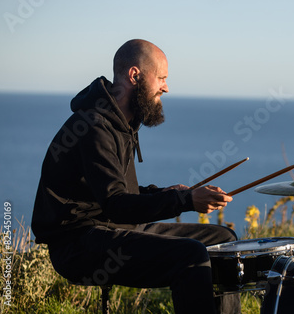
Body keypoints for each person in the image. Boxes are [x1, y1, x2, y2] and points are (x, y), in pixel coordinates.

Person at [31, 39, 241, 314]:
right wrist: (185, 200)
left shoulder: (123, 123)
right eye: (162, 78)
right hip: (79, 243)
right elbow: (117, 205)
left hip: (114, 226)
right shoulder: (94, 126)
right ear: (135, 75)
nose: (166, 87)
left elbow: (119, 194)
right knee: (190, 255)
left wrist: (166, 194)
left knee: (225, 241)